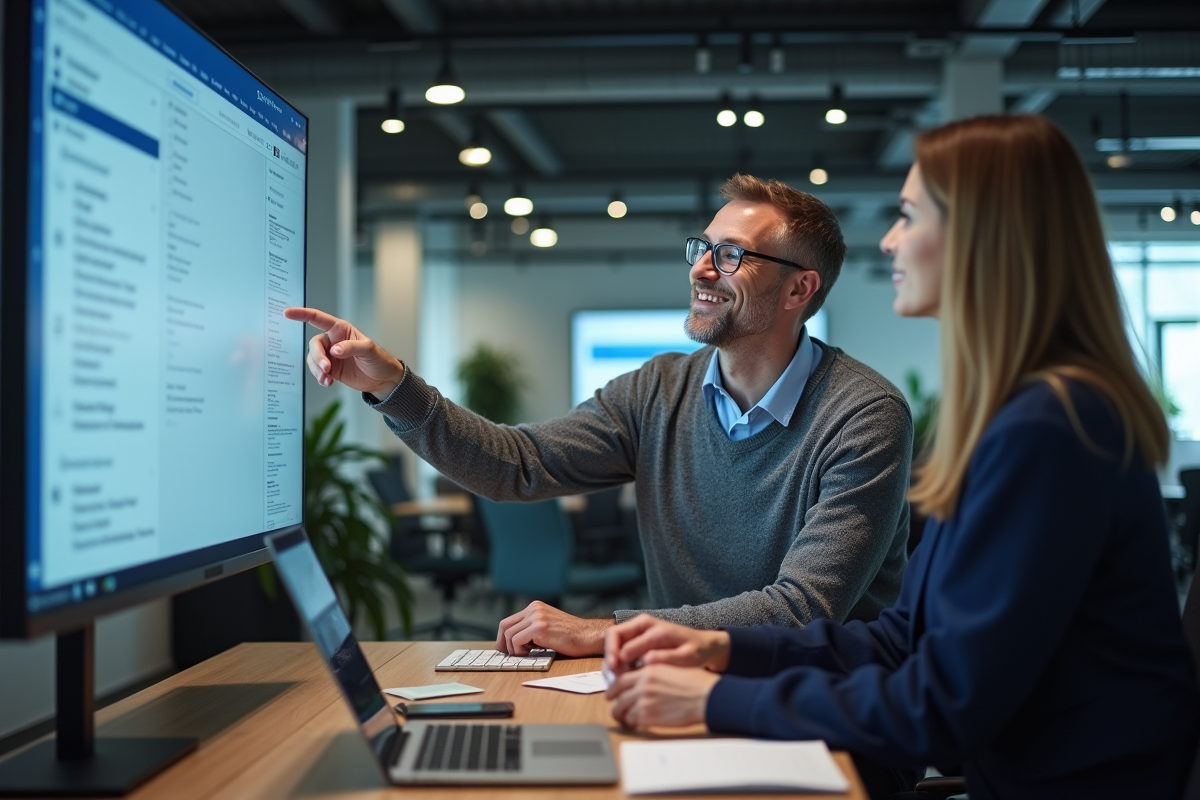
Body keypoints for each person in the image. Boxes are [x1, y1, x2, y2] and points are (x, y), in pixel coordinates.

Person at [601, 115, 1200, 800]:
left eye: (910, 216)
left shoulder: (1053, 428)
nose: (888, 239)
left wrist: (713, 701)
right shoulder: (1018, 413)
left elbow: (940, 709)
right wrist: (723, 650)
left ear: (984, 236)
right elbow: (903, 638)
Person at [285, 174, 913, 658]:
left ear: (799, 290)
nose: (700, 268)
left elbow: (804, 609)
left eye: (731, 255)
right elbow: (517, 466)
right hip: (688, 685)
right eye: (702, 248)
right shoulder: (656, 390)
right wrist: (394, 386)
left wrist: (607, 632)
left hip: (827, 711)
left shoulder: (863, 416)